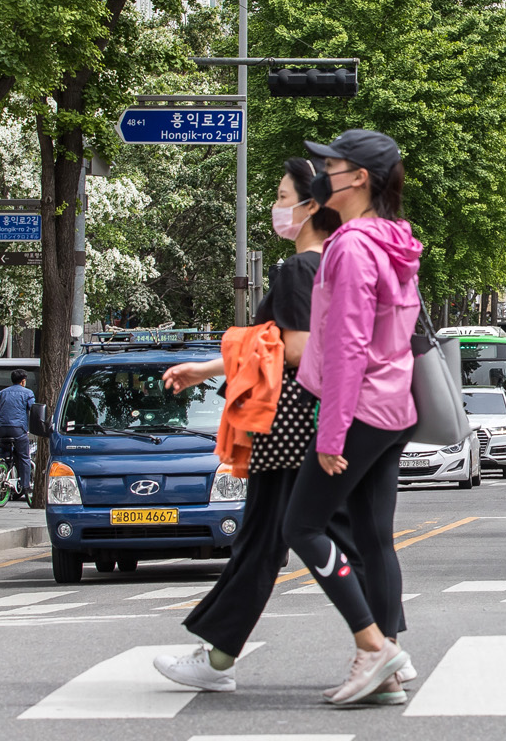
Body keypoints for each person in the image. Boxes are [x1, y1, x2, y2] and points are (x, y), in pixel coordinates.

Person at [154, 159, 375, 693]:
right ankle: (382, 644)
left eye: (283, 196)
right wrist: (209, 367)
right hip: (326, 421)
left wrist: (221, 361)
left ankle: (373, 646)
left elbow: (296, 348)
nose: (277, 207)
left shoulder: (300, 269)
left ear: (312, 207)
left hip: (291, 425)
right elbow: (275, 339)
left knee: (269, 538)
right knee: (318, 537)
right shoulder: (336, 267)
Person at [283, 130, 423, 706]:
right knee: (374, 537)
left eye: (332, 166)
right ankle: (385, 668)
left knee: (303, 527)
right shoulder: (397, 240)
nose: (323, 175)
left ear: (358, 178)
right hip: (395, 406)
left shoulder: (350, 247)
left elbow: (346, 346)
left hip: (358, 409)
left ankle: (373, 647)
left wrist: (331, 431)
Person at [0, 369, 35, 498]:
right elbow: (33, 410)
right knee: (23, 456)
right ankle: (26, 486)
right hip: (18, 429)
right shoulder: (27, 393)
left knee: (4, 448)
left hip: (1, 428)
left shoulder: (2, 393)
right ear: (23, 381)